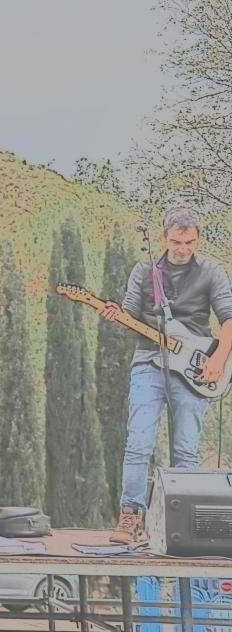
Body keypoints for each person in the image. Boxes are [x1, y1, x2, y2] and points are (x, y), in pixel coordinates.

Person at [101, 207, 232, 544]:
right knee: (138, 442)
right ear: (164, 238)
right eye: (176, 242)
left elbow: (229, 320)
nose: (182, 248)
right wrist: (115, 314)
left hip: (194, 368)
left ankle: (184, 523)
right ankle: (130, 516)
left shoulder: (211, 272)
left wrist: (218, 359)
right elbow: (130, 315)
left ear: (197, 239)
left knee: (186, 448)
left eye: (189, 242)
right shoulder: (145, 271)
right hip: (149, 360)